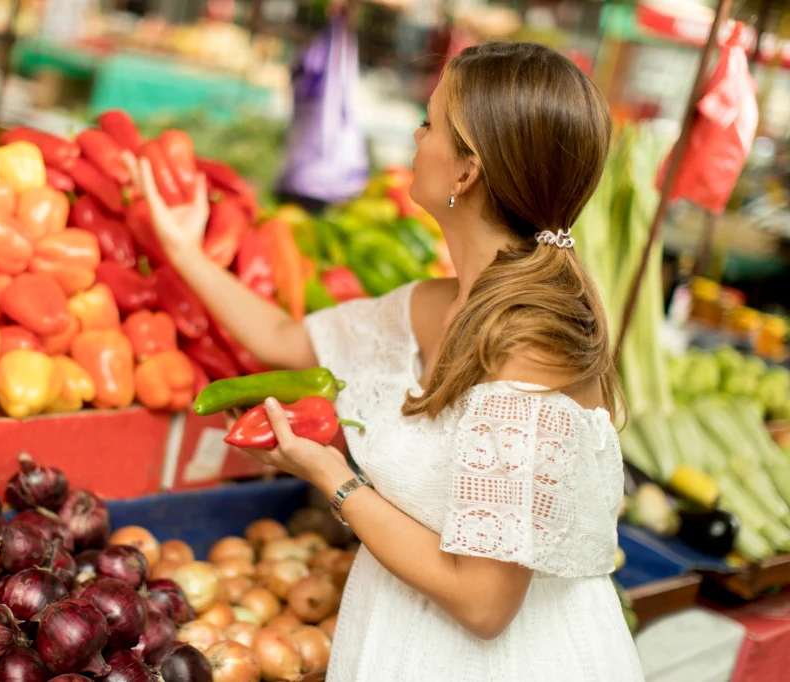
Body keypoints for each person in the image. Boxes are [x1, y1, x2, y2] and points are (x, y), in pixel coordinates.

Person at [139, 41, 644, 682]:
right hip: (402, 640)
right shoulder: (434, 303)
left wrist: (332, 477)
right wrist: (184, 251)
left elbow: (485, 603)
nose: (416, 133)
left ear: (467, 172)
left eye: (430, 120)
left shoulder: (533, 347)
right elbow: (286, 342)